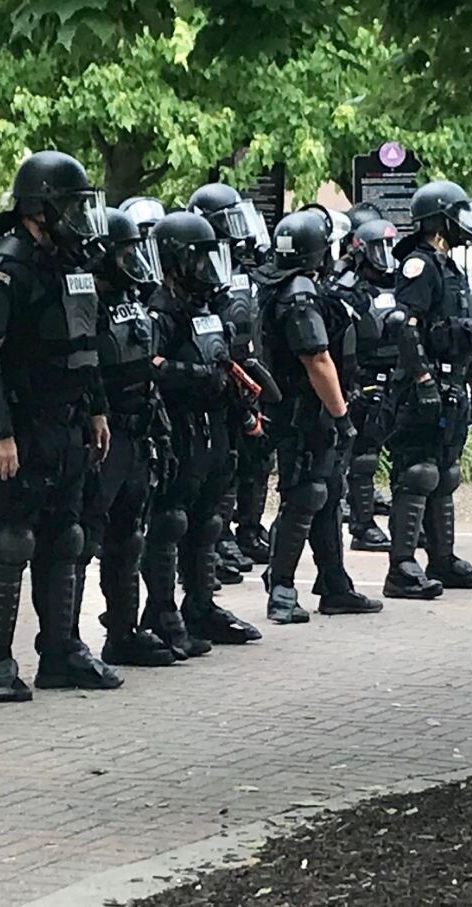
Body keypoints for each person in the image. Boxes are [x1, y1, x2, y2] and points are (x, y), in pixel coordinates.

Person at [0, 150, 118, 702]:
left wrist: (96, 409)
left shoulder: (72, 263)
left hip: (69, 423)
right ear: (39, 207)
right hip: (21, 428)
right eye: (69, 203)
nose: (78, 213)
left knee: (67, 536)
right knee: (14, 539)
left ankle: (61, 650)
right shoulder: (5, 267)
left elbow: (86, 346)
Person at [144, 210, 264, 650]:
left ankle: (201, 604)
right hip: (177, 425)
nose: (208, 270)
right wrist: (193, 376)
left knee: (209, 519)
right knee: (171, 519)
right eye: (199, 260)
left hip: (213, 424)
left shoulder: (207, 307)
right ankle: (161, 609)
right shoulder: (160, 309)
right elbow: (148, 365)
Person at [257, 211, 383, 623]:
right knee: (305, 494)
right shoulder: (298, 296)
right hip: (303, 413)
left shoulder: (296, 287)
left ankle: (334, 585)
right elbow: (317, 359)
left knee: (327, 494)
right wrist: (341, 415)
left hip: (309, 411)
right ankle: (281, 588)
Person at [383, 180, 472, 598]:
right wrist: (423, 380)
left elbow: (464, 335)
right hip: (422, 384)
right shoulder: (419, 264)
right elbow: (404, 327)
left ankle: (443, 559)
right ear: (439, 219)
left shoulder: (451, 267)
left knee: (444, 474)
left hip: (451, 380)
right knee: (417, 472)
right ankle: (402, 566)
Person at [82, 208, 177, 666]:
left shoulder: (135, 296)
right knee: (80, 540)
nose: (132, 261)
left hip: (138, 427)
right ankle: (65, 641)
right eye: (124, 253)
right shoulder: (82, 301)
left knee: (128, 537)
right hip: (100, 432)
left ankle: (123, 632)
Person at [187, 182, 275, 577]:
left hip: (246, 367)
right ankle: (216, 540)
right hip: (216, 375)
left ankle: (248, 530)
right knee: (224, 464)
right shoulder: (199, 269)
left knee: (256, 457)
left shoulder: (241, 266)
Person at [332, 217, 402, 551]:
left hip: (398, 376)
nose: (385, 255)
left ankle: (412, 526)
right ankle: (362, 526)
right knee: (363, 457)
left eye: (389, 247)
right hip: (364, 378)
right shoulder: (346, 287)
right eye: (378, 248)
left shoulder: (401, 282)